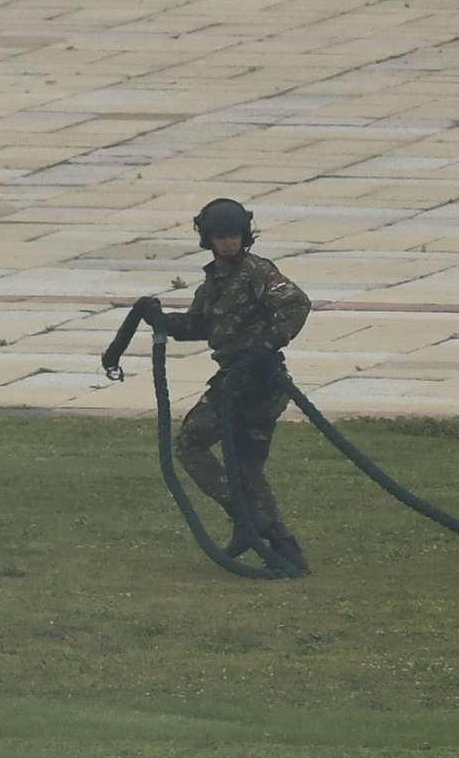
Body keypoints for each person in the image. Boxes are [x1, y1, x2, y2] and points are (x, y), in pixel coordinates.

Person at [109, 196, 315, 576]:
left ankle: (249, 520)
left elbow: (297, 305)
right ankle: (279, 543)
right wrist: (161, 320)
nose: (228, 243)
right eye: (220, 236)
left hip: (257, 384)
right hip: (235, 382)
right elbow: (199, 326)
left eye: (233, 235)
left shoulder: (257, 270)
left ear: (245, 235)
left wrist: (266, 345)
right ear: (208, 238)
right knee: (242, 468)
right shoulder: (214, 282)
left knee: (192, 445)